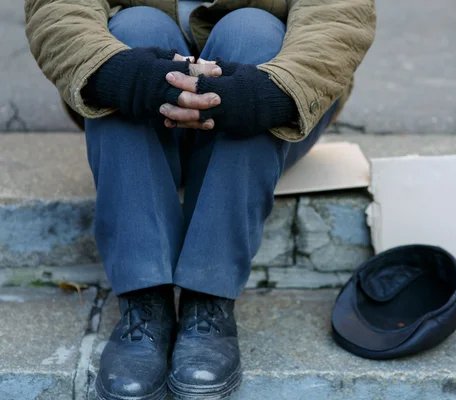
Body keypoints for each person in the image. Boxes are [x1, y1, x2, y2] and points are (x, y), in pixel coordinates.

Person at [25, 0, 375, 399]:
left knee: (253, 29)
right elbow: (59, 7)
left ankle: (208, 301)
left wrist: (268, 93)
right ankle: (145, 302)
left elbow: (339, 12)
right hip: (133, 100)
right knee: (135, 27)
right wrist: (122, 75)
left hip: (268, 99)